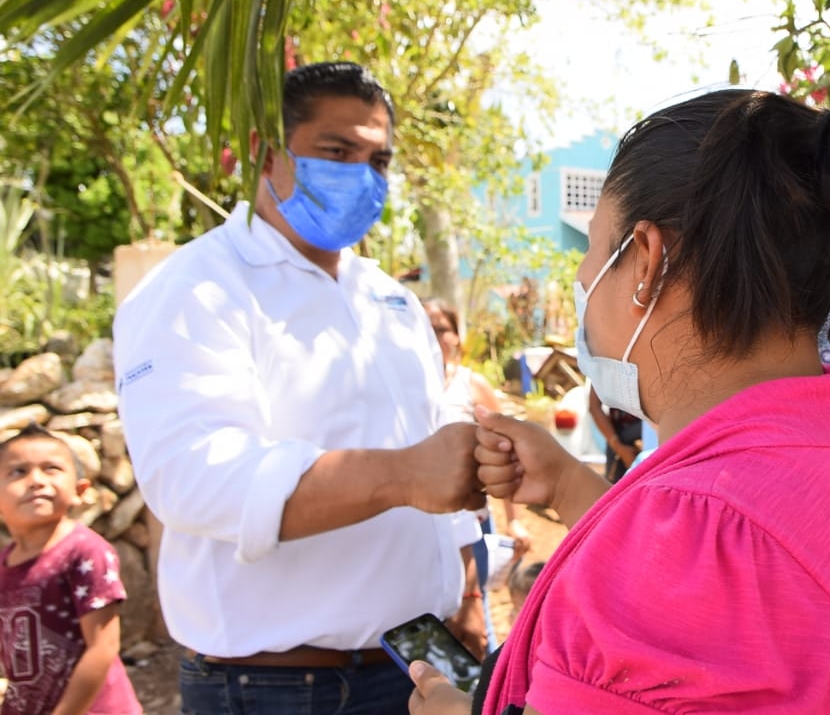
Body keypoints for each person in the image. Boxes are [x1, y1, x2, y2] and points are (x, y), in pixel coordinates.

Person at [408, 69, 830, 714]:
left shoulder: (698, 528)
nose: (581, 284)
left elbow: (695, 568)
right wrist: (572, 487)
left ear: (646, 259)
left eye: (591, 256)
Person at [112, 62, 486, 715]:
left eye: (378, 159)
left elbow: (436, 455)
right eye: (337, 152)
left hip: (418, 666)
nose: (361, 176)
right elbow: (192, 477)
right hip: (281, 688)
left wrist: (470, 591)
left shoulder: (391, 301)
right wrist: (399, 475)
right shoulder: (196, 289)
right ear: (265, 152)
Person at [0, 425, 142, 715]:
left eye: (51, 468)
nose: (36, 481)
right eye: (18, 471)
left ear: (80, 490)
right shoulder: (5, 563)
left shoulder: (84, 552)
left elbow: (103, 647)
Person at [422, 298, 531, 653]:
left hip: (473, 522)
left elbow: (505, 452)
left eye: (442, 328)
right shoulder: (405, 389)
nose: (435, 336)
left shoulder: (472, 385)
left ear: (456, 336)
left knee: (474, 614)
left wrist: (513, 521)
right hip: (420, 523)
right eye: (427, 327)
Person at [586, 387, 643, 482]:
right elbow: (594, 406)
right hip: (620, 441)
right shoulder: (603, 372)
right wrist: (619, 448)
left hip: (648, 435)